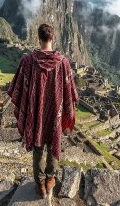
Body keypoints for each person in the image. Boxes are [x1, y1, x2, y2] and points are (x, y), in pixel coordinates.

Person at [7, 23, 79, 198]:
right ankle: (50, 178)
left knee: (38, 147)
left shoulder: (28, 61)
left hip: (35, 113)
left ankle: (39, 184)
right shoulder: (63, 63)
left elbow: (18, 89)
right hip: (56, 113)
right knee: (54, 143)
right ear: (52, 38)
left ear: (38, 38)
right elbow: (70, 92)